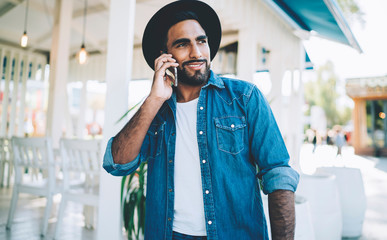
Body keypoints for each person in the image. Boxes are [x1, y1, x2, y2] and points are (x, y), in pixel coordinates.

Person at [103, 1, 299, 239]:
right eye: (183, 44)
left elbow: (278, 174)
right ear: (165, 57)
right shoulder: (156, 113)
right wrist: (154, 99)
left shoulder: (245, 98)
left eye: (201, 41)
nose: (196, 52)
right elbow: (117, 163)